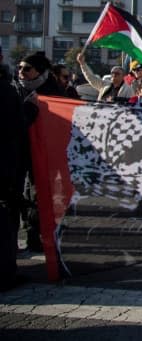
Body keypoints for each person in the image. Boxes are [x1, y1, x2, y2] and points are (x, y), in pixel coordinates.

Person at [12, 52, 64, 253]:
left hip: (44, 153)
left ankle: (37, 236)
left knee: (39, 195)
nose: (21, 72)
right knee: (19, 195)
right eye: (19, 68)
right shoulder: (15, 89)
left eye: (27, 68)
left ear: (40, 72)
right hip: (18, 151)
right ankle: (18, 234)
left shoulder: (53, 91)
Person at [0, 56, 25, 290]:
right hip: (6, 166)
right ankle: (6, 271)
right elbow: (17, 125)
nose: (22, 72)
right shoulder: (7, 91)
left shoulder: (7, 91)